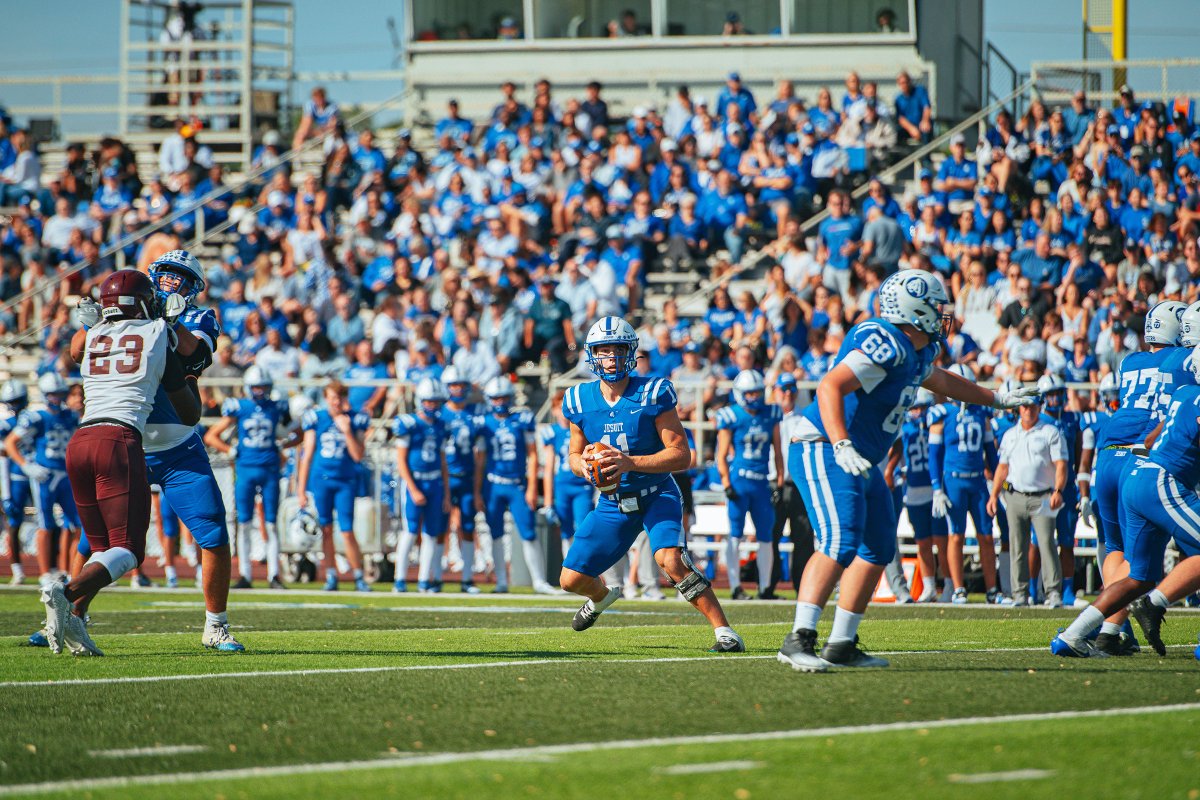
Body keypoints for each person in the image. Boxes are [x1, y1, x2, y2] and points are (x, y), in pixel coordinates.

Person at [778, 269, 1037, 672]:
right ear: (913, 307)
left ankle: (842, 643)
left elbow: (941, 381)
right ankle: (798, 638)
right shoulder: (883, 340)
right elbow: (830, 386)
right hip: (825, 446)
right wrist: (842, 442)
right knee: (838, 541)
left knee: (879, 547)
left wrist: (996, 398)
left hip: (860, 456)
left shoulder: (917, 350)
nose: (941, 314)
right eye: (935, 306)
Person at [558, 316, 745, 652]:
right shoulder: (578, 399)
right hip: (613, 503)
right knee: (570, 580)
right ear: (591, 355)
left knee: (670, 560)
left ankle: (724, 631)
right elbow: (572, 454)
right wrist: (584, 466)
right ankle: (601, 598)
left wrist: (631, 462)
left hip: (656, 493)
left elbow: (680, 455)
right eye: (603, 350)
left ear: (631, 353)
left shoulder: (653, 392)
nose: (611, 357)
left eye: (618, 349)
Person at [40, 269, 199, 656]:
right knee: (128, 550)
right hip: (119, 439)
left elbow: (72, 353)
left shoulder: (92, 335)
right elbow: (189, 412)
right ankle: (66, 591)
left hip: (80, 442)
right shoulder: (160, 331)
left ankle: (75, 627)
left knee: (99, 547)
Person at [1052, 344, 1200, 658]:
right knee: (1145, 581)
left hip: (1137, 476)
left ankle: (1072, 636)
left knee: (1138, 576)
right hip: (1161, 482)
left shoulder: (1182, 395)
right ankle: (1155, 604)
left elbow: (1150, 441)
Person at [142, 250, 244, 651]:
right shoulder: (131, 311)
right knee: (98, 536)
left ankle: (215, 625)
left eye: (179, 275)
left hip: (176, 441)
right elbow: (77, 351)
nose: (170, 281)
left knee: (213, 531)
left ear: (194, 285)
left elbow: (194, 354)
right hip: (129, 433)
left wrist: (164, 318)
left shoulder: (198, 318)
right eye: (165, 272)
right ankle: (69, 615)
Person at [1089, 300, 1184, 653]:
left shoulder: (1130, 361)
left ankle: (1109, 625)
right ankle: (1106, 629)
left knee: (1115, 548)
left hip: (1107, 454)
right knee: (1140, 556)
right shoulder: (1180, 361)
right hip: (1138, 456)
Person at [203, 365, 291, 590]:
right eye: (256, 387)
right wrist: (229, 450)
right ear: (248, 388)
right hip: (245, 469)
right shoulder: (239, 407)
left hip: (270, 469)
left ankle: (274, 575)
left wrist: (284, 444)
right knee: (244, 523)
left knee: (271, 523)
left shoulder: (277, 407)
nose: (260, 391)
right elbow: (212, 435)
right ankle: (245, 574)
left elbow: (297, 432)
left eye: (263, 386)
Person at [476, 377, 555, 595]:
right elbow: (480, 460)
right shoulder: (484, 423)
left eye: (503, 397)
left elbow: (532, 454)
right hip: (493, 485)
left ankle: (539, 581)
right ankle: (501, 581)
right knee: (496, 534)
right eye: (496, 398)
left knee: (528, 532)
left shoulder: (522, 418)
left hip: (517, 484)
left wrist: (531, 486)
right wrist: (477, 491)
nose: (500, 401)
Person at [929, 364, 1000, 604]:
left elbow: (992, 454)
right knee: (956, 536)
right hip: (954, 482)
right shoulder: (942, 414)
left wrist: (996, 484)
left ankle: (992, 590)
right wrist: (937, 488)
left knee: (986, 536)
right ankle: (958, 588)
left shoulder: (982, 413)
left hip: (978, 481)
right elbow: (934, 456)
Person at [297, 381, 371, 592]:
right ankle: (331, 574)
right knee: (326, 529)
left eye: (339, 398)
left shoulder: (356, 419)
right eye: (332, 398)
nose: (336, 402)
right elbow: (307, 454)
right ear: (326, 398)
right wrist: (301, 489)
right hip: (322, 480)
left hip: (345, 481)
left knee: (347, 530)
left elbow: (358, 456)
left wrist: (346, 430)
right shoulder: (317, 418)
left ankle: (359, 576)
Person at [5, 373, 80, 582]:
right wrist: (26, 466)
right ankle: (45, 573)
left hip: (65, 474)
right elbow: (11, 443)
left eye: (60, 394)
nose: (56, 398)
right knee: (45, 524)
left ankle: (71, 571)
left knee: (78, 524)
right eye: (52, 394)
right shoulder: (35, 416)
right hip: (44, 475)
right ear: (45, 394)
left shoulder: (71, 416)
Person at [716, 370, 784, 600]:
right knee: (735, 533)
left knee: (766, 535)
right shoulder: (731, 415)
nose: (754, 397)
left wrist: (780, 479)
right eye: (750, 392)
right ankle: (736, 587)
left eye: (757, 392)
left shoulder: (771, 413)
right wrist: (726, 482)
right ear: (739, 393)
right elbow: (721, 454)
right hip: (740, 480)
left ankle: (765, 588)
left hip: (762, 482)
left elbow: (777, 450)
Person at [391, 378, 452, 594]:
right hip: (414, 481)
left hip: (434, 482)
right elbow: (401, 461)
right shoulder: (409, 424)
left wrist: (446, 493)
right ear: (420, 401)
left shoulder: (442, 426)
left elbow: (443, 462)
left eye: (437, 402)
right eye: (430, 402)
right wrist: (413, 488)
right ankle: (399, 579)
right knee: (410, 530)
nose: (434, 406)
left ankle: (424, 580)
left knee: (431, 533)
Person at [1034, 374, 1083, 606]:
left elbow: (1080, 453)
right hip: (1043, 488)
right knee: (1038, 540)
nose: (1055, 399)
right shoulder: (1036, 420)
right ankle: (1033, 588)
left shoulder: (1072, 419)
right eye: (1050, 394)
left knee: (1066, 540)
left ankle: (1067, 589)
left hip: (1067, 489)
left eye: (1057, 393)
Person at [437, 366, 485, 594]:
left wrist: (476, 489)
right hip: (444, 478)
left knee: (467, 526)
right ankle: (434, 576)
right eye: (453, 385)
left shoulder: (474, 414)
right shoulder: (439, 414)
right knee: (439, 526)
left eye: (461, 385)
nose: (458, 389)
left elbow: (479, 454)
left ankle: (467, 578)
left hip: (466, 477)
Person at [901, 388, 948, 602]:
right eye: (915, 407)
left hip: (934, 490)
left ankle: (948, 584)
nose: (918, 412)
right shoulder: (904, 429)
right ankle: (929, 586)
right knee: (923, 542)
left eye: (922, 407)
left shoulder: (937, 427)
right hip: (914, 491)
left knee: (941, 540)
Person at [541, 392, 594, 558]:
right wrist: (548, 503)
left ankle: (586, 572)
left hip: (582, 486)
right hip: (562, 486)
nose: (563, 413)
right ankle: (569, 573)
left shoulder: (582, 430)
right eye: (559, 408)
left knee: (584, 529)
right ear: (553, 410)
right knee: (565, 532)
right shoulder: (552, 432)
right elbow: (549, 469)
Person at [0, 380, 30, 584]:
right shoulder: (5, 425)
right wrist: (6, 492)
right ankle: (17, 568)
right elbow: (3, 459)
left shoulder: (35, 419)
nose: (15, 406)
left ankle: (54, 568)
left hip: (39, 474)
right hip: (16, 476)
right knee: (14, 522)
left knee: (51, 521)